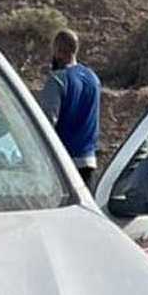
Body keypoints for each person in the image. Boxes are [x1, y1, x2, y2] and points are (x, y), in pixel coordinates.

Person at [39, 29, 101, 188]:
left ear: (58, 51)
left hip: (64, 164)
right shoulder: (93, 79)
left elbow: (47, 121)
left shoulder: (57, 79)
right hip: (88, 160)